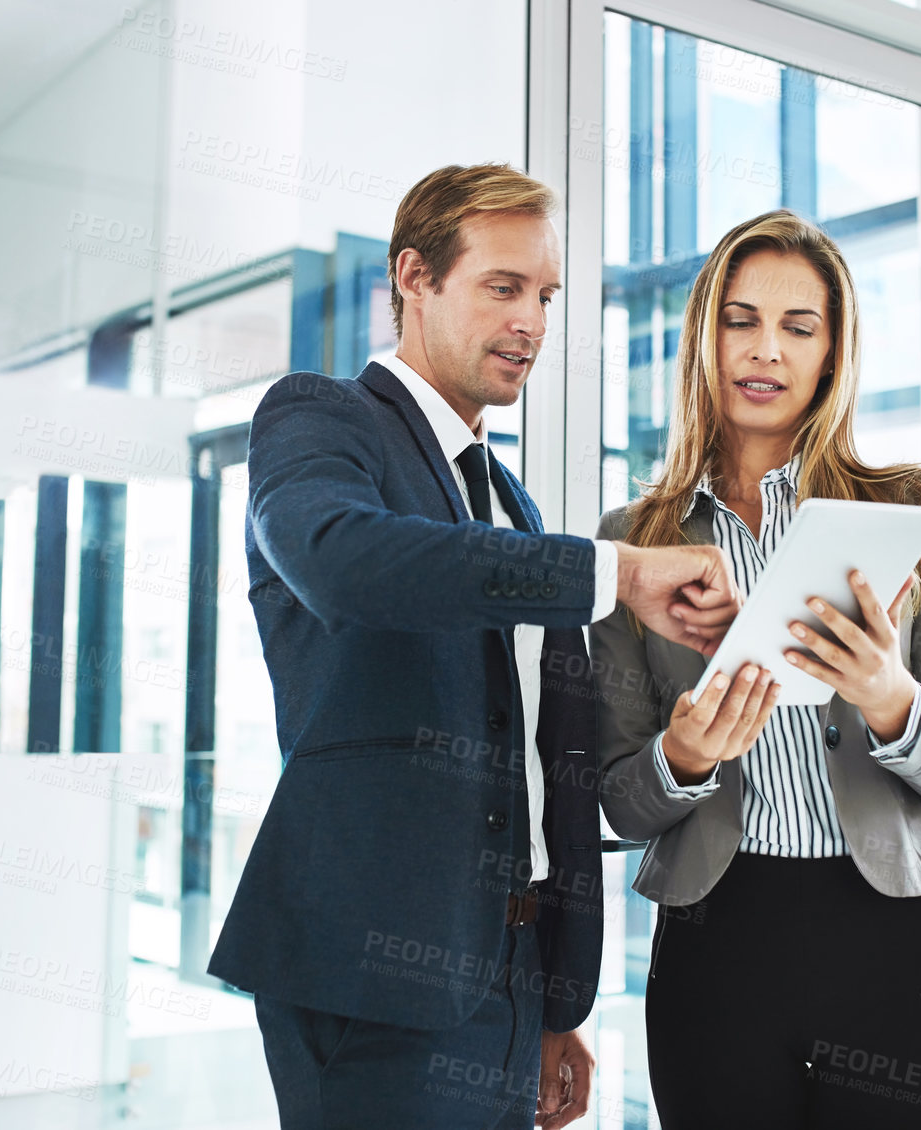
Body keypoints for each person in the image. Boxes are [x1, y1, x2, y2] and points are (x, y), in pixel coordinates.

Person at [207, 164, 742, 1129]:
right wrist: (616, 573)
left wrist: (548, 1002)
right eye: (504, 286)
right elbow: (342, 561)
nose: (533, 320)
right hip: (374, 978)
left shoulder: (506, 499)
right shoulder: (321, 418)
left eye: (546, 295)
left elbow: (539, 764)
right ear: (413, 277)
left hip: (508, 982)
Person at [591, 210, 921, 1130]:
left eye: (797, 326)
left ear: (830, 352)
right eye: (740, 319)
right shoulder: (635, 544)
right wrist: (682, 759)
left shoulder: (910, 512)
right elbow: (618, 801)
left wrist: (890, 698)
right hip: (715, 941)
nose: (764, 349)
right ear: (704, 335)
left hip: (889, 937)